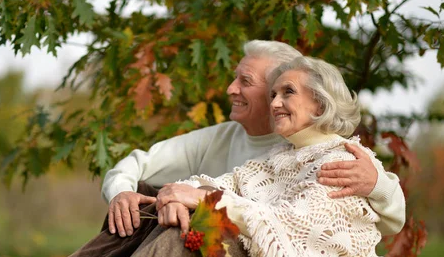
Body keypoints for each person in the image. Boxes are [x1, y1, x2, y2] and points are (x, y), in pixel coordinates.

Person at [7, 56, 414, 257]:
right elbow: (230, 183)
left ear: (321, 106)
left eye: (287, 92)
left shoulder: (340, 159)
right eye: (273, 93)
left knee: (200, 224)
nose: (274, 102)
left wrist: (202, 201)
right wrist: (176, 193)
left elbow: (292, 222)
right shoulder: (281, 155)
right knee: (156, 198)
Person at [103, 40, 404, 239]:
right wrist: (121, 193)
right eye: (235, 78)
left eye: (245, 81)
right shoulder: (218, 137)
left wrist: (377, 183)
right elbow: (135, 166)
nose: (230, 89)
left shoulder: (308, 148)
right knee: (142, 197)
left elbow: (387, 216)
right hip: (207, 248)